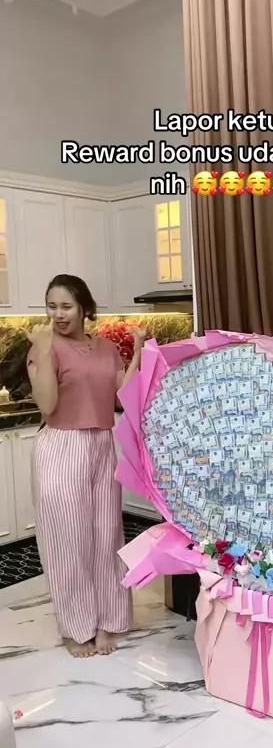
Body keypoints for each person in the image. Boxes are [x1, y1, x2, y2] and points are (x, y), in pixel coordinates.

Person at [27, 274, 146, 658]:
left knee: (107, 535)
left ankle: (110, 620)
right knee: (67, 541)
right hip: (61, 447)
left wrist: (138, 351)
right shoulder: (43, 347)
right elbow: (47, 404)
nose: (58, 314)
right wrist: (43, 349)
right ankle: (75, 627)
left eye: (66, 306)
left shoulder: (107, 348)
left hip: (101, 445)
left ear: (84, 308)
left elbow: (122, 395)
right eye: (52, 306)